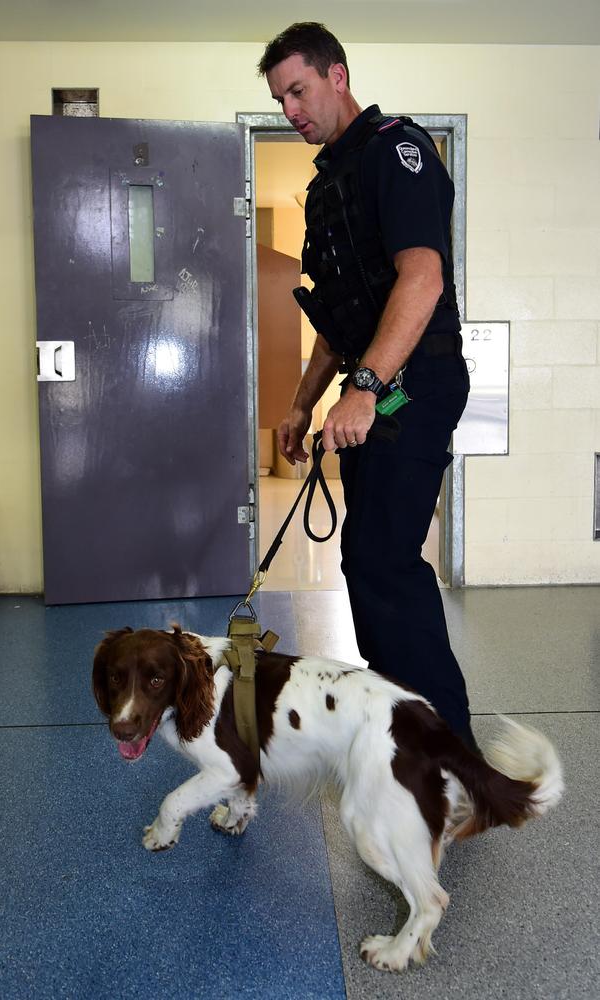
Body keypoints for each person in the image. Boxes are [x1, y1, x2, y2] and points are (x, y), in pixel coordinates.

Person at [258, 22, 478, 750]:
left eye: (299, 89)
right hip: (378, 383)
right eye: (279, 97)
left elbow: (422, 277)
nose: (291, 110)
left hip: (415, 382)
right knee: (366, 560)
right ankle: (408, 736)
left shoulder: (397, 153)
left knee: (385, 561)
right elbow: (341, 318)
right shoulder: (329, 187)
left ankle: (450, 760)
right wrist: (300, 402)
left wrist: (366, 387)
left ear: (337, 74)